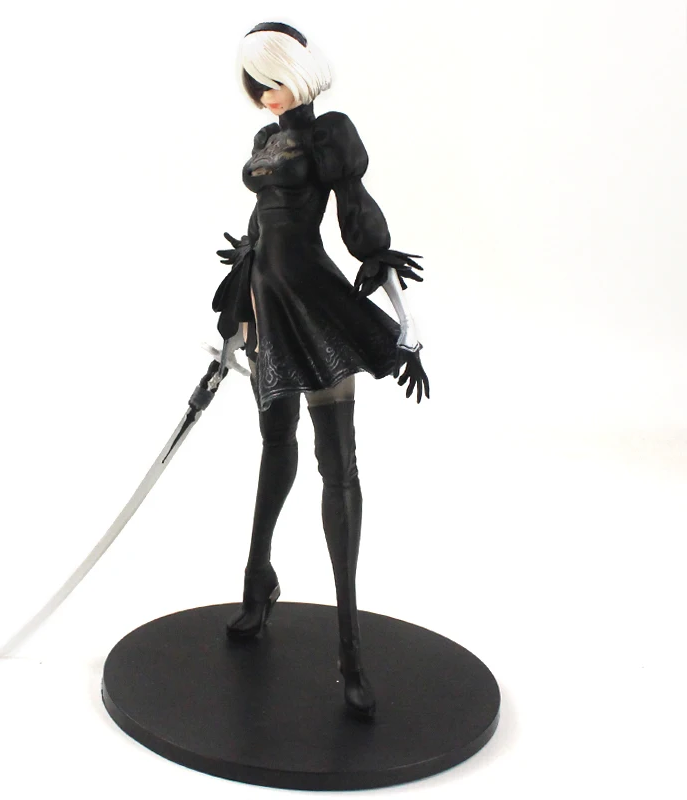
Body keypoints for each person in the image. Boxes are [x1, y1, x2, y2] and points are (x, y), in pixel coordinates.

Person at [212, 22, 429, 720]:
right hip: (266, 306)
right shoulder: (263, 140)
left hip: (314, 301)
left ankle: (350, 650)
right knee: (273, 444)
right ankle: (258, 581)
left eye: (268, 79)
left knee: (338, 465)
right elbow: (258, 230)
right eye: (254, 84)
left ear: (294, 72)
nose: (262, 95)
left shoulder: (330, 133)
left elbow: (358, 221)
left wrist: (399, 306)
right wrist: (237, 312)